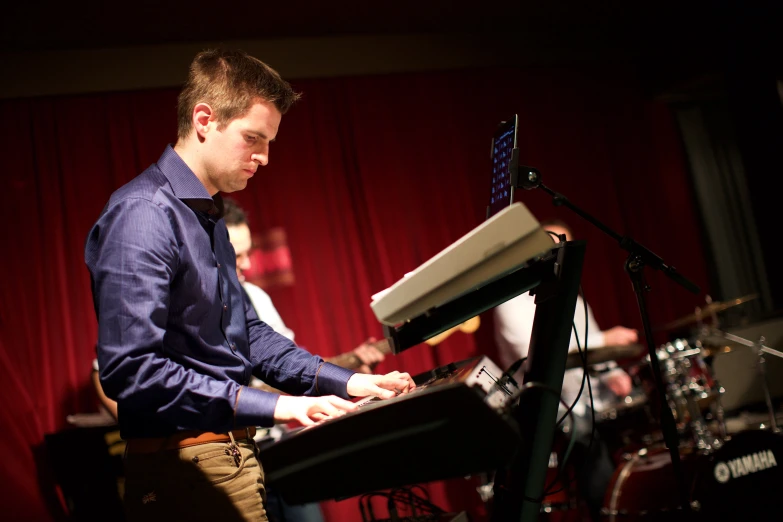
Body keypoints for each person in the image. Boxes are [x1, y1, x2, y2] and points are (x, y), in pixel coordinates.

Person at [85, 48, 414, 522]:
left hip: (227, 457)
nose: (263, 157)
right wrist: (276, 406)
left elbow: (249, 336)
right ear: (204, 119)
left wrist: (352, 382)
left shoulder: (209, 216)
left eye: (269, 142)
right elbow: (131, 370)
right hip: (184, 467)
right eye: (253, 138)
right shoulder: (144, 214)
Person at [493, 219, 637, 521]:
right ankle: (610, 512)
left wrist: (613, 373)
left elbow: (599, 355)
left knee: (637, 410)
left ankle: (638, 493)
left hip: (586, 398)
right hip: (542, 405)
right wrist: (604, 339)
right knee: (585, 432)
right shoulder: (513, 302)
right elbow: (534, 353)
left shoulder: (577, 301)